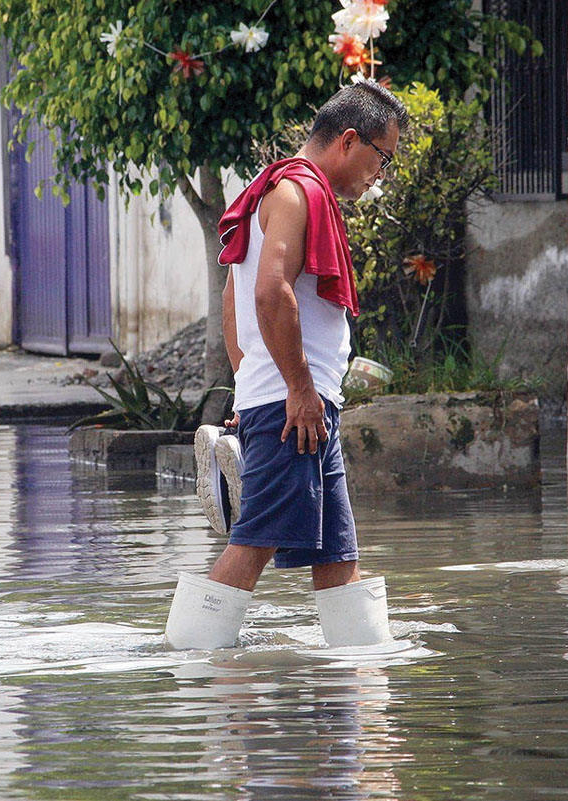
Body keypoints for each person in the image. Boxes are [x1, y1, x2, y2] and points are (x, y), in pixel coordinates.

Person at [165, 82, 408, 650]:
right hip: (295, 405)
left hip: (299, 404)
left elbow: (234, 294)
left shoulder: (272, 188)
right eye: (383, 158)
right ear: (351, 141)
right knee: (254, 543)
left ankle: (361, 693)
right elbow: (269, 293)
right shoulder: (298, 193)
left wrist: (254, 385)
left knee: (337, 551)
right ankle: (187, 675)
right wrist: (291, 390)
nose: (381, 173)